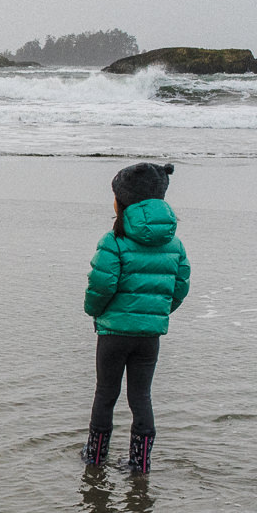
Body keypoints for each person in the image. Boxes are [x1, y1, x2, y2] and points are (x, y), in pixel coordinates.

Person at [81, 162, 191, 475]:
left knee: (106, 394)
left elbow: (101, 286)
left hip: (113, 334)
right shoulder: (174, 244)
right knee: (141, 397)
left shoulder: (113, 241)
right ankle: (140, 464)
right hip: (149, 336)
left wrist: (95, 311)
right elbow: (179, 287)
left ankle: (95, 457)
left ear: (121, 203)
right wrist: (155, 313)